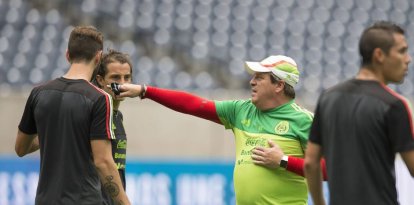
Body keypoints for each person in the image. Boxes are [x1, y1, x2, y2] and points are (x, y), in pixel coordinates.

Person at [116, 55, 326, 204]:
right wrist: (144, 91)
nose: (251, 81)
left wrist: (283, 161)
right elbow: (194, 105)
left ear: (279, 85)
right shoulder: (241, 110)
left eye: (259, 77)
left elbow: (327, 170)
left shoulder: (305, 121)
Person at [15, 26, 130, 205]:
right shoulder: (99, 98)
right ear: (98, 57)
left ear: (67, 55)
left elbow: (21, 148)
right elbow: (103, 162)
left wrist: (56, 134)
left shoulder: (38, 93)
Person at [304, 21, 414, 205]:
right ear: (379, 55)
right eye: (402, 51)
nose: (408, 59)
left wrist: (319, 203)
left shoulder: (328, 98)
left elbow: (310, 163)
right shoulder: (394, 105)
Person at [92, 49, 132, 204]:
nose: (122, 84)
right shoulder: (93, 114)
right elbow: (102, 163)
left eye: (127, 77)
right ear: (100, 80)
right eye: (116, 77)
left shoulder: (117, 116)